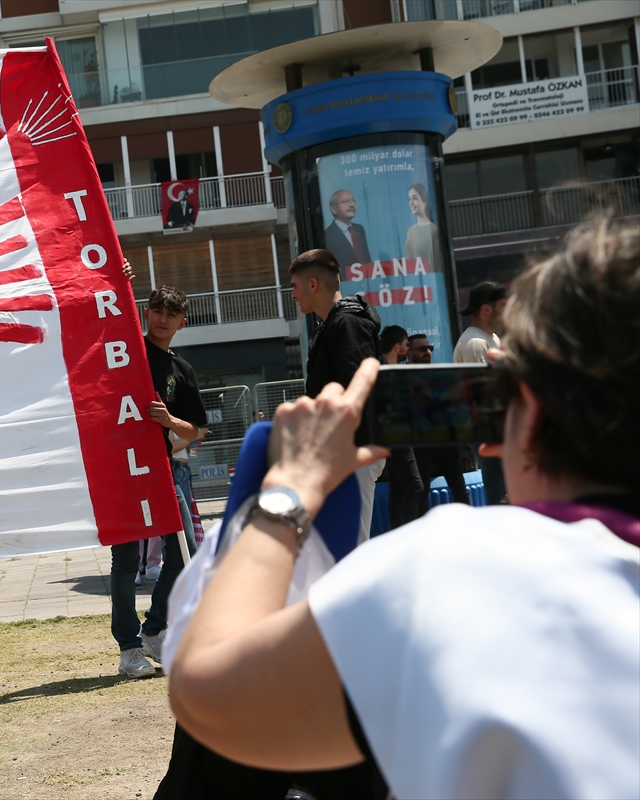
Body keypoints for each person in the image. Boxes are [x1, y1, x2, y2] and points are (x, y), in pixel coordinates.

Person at [169, 216, 639, 799]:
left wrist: (287, 491)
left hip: (340, 469)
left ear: (532, 413)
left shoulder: (450, 570)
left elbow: (212, 694)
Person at [112, 286, 207, 678]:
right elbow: (106, 317)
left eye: (171, 313)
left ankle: (154, 628)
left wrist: (168, 422)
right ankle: (129, 647)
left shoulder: (182, 369)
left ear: (182, 321)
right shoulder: (128, 348)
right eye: (156, 310)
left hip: (166, 468)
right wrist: (118, 279)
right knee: (127, 559)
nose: (162, 318)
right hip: (120, 465)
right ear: (145, 313)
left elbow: (198, 430)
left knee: (184, 551)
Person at [288, 249, 383, 543]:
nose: (292, 294)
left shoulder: (346, 324)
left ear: (312, 284)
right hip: (342, 452)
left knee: (350, 546)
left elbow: (358, 389)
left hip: (351, 452)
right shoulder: (335, 325)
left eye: (294, 286)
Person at [455, 281, 509, 505]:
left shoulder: (491, 338)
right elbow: (483, 395)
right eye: (503, 305)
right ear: (486, 309)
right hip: (487, 431)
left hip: (496, 429)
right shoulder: (475, 343)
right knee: (500, 499)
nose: (508, 310)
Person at [407, 333, 471, 509]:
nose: (427, 352)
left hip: (444, 439)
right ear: (409, 353)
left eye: (429, 348)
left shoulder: (437, 374)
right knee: (421, 490)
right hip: (420, 442)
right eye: (422, 349)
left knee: (459, 487)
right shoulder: (403, 376)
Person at [378, 325, 423, 530]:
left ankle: (397, 532)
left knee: (398, 489)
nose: (408, 348)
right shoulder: (385, 372)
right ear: (397, 347)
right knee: (415, 487)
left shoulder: (386, 370)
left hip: (395, 437)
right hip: (397, 436)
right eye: (406, 344)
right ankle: (408, 533)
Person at [323, 190, 370, 267]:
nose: (352, 204)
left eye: (353, 200)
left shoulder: (359, 229)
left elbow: (367, 260)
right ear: (334, 209)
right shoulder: (327, 236)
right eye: (346, 201)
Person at [403, 183, 443, 268]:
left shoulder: (433, 230)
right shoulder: (410, 231)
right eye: (409, 199)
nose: (411, 203)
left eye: (415, 198)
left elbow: (438, 264)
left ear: (424, 201)